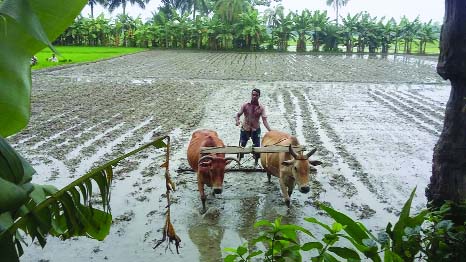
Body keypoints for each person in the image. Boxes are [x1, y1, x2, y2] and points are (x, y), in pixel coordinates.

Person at [235, 88, 272, 165]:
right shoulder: (245, 105)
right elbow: (238, 115)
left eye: (256, 95)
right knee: (241, 146)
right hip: (245, 129)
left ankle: (256, 163)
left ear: (259, 96)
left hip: (256, 130)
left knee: (257, 147)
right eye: (253, 95)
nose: (254, 96)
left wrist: (271, 131)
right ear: (251, 95)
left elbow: (264, 120)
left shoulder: (261, 107)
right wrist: (237, 121)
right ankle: (238, 162)